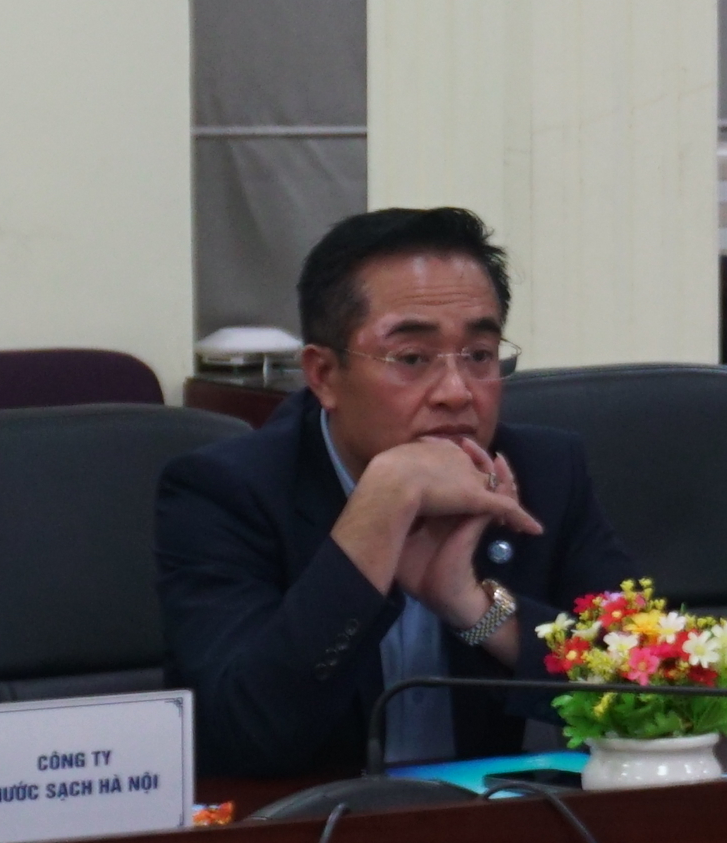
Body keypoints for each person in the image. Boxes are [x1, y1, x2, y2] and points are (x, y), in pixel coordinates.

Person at [158, 207, 637, 776]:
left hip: (493, 821)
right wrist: (380, 508)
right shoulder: (226, 493)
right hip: (310, 824)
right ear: (323, 375)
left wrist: (474, 608)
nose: (457, 392)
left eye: (479, 356)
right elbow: (240, 740)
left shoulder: (544, 472)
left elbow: (654, 697)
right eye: (412, 358)